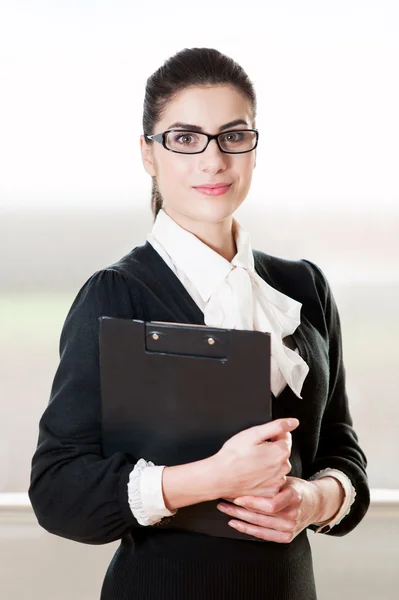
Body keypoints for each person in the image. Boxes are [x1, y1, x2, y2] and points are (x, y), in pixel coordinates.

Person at [28, 47, 370, 600]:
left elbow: (340, 449)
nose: (213, 161)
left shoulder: (305, 287)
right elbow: (58, 492)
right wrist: (211, 478)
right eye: (185, 139)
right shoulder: (117, 293)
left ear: (254, 149)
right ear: (148, 153)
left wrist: (314, 500)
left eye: (233, 136)